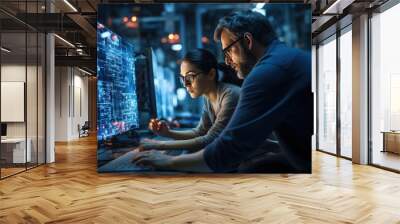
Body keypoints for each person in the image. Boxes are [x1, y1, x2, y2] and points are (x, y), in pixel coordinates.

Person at [132, 10, 312, 173]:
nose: (226, 62)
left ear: (247, 41)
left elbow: (226, 150)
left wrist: (166, 161)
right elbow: (203, 133)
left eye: (228, 51)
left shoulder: (267, 73)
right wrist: (167, 137)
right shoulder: (281, 60)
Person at [138, 48, 241, 153]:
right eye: (183, 78)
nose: (186, 85)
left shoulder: (229, 95)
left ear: (211, 74)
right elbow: (200, 132)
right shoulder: (209, 97)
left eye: (190, 77)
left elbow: (210, 139)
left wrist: (159, 145)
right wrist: (168, 133)